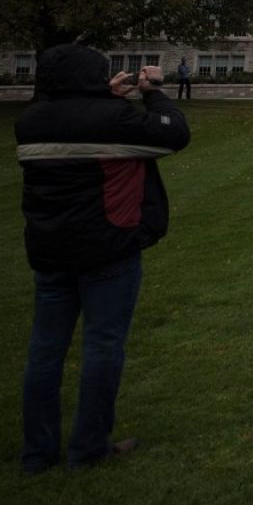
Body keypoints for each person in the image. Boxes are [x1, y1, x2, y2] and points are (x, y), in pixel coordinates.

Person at [16, 47, 191, 471]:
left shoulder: (30, 122)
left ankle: (37, 453)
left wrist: (107, 97)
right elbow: (173, 133)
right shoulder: (115, 121)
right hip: (107, 249)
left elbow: (78, 122)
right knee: (102, 346)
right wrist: (153, 92)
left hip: (50, 250)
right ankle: (88, 448)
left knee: (44, 350)